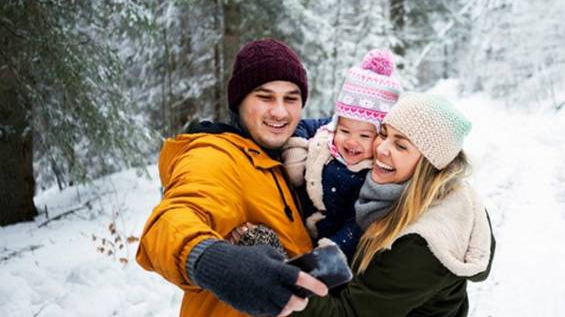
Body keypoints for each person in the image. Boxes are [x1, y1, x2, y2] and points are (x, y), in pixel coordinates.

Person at [135, 38, 328, 317]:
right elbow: (171, 220)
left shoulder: (283, 158)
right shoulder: (217, 155)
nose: (280, 111)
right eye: (265, 97)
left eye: (291, 98)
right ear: (239, 102)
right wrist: (214, 261)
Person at [292, 92, 497, 316]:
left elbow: (349, 312)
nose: (381, 148)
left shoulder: (421, 244)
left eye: (400, 146)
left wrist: (277, 284)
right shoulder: (393, 193)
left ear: (429, 165)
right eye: (383, 133)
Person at [280, 49, 402, 259]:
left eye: (365, 136)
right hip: (296, 227)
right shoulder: (325, 132)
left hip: (333, 246)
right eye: (344, 131)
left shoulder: (375, 175)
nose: (352, 141)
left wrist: (334, 248)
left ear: (381, 136)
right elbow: (301, 126)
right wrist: (295, 151)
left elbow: (361, 221)